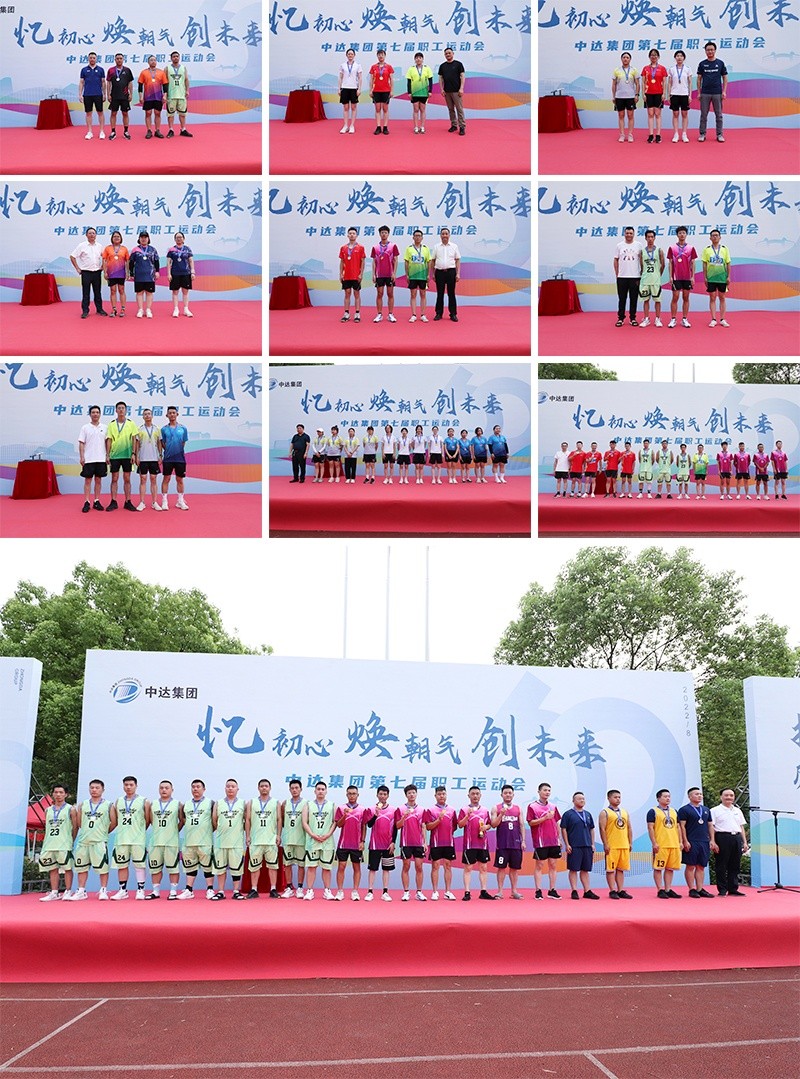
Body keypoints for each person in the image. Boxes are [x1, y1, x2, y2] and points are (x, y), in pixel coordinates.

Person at [65, 778, 116, 901]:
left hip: (99, 841)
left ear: (103, 790)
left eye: (97, 788)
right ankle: (81, 890)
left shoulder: (109, 805)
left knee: (102, 867)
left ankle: (103, 890)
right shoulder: (83, 805)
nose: (94, 790)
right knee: (81, 867)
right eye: (92, 787)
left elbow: (114, 822)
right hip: (84, 841)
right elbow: (79, 823)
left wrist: (104, 832)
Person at [110, 775, 148, 900]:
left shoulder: (144, 801)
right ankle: (123, 890)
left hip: (138, 839)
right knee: (122, 865)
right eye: (126, 785)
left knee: (139, 865)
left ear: (136, 786)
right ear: (123, 786)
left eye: (131, 785)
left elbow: (148, 820)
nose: (128, 787)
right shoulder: (118, 801)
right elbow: (115, 820)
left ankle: (140, 890)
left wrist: (139, 831)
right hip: (121, 839)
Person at [144, 779, 182, 901]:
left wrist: (173, 831)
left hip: (171, 842)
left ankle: (173, 891)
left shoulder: (177, 804)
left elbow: (182, 821)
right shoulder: (153, 804)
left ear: (172, 790)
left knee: (173, 868)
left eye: (166, 788)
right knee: (155, 868)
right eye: (161, 788)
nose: (164, 790)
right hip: (155, 841)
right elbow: (150, 821)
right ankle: (155, 891)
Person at [177, 778, 215, 900]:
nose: (195, 789)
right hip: (189, 841)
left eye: (198, 787)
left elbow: (215, 821)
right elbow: (183, 820)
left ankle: (210, 889)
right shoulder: (186, 805)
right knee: (190, 867)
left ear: (204, 789)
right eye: (193, 787)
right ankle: (189, 890)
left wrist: (206, 831)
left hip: (205, 842)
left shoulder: (210, 803)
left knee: (208, 867)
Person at [210, 778, 248, 901]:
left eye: (233, 786)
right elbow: (214, 820)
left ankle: (236, 891)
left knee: (236, 868)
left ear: (237, 789)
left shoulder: (243, 803)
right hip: (221, 842)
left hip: (236, 842)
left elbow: (246, 821)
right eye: (228, 786)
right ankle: (221, 891)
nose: (230, 788)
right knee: (220, 868)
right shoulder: (218, 803)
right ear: (225, 788)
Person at [38, 784, 76, 901]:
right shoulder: (48, 810)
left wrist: (71, 840)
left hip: (64, 844)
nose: (58, 795)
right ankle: (54, 892)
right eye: (56, 792)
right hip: (49, 844)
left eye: (61, 792)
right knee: (52, 868)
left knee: (67, 868)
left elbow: (75, 827)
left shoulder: (70, 809)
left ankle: (68, 891)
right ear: (52, 794)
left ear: (66, 794)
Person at [459, 786, 497, 900]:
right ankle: (467, 892)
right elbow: (460, 825)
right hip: (469, 844)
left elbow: (490, 824)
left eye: (477, 794)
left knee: (483, 868)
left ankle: (483, 891)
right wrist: (467, 816)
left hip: (482, 844)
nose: (475, 796)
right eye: (473, 794)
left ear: (480, 795)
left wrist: (486, 827)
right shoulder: (464, 809)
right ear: (469, 795)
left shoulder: (485, 810)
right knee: (468, 868)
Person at [560, 792, 600, 900]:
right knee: (573, 869)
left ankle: (587, 891)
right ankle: (574, 890)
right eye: (579, 799)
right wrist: (567, 844)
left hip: (587, 845)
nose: (582, 800)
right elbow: (564, 829)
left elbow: (591, 829)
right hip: (574, 846)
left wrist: (592, 844)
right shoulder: (568, 814)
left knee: (585, 869)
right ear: (573, 801)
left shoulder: (588, 814)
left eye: (583, 799)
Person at [710, 788, 749, 896]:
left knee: (735, 864)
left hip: (736, 837)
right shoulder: (715, 810)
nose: (729, 797)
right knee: (721, 864)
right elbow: (711, 827)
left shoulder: (737, 810)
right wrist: (713, 841)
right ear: (721, 797)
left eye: (731, 795)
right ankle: (722, 889)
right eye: (726, 795)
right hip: (722, 837)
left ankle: (733, 888)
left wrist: (744, 842)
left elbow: (741, 827)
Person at [247, 778, 282, 899]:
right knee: (254, 866)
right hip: (255, 840)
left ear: (270, 788)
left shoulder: (276, 802)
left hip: (271, 839)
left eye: (266, 786)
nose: (264, 788)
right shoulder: (252, 802)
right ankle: (254, 889)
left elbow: (279, 820)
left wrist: (278, 835)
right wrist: (248, 836)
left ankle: (273, 889)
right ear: (258, 788)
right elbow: (248, 820)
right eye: (262, 786)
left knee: (273, 866)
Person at [678, 787, 715, 898]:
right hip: (691, 841)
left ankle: (700, 888)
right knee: (690, 866)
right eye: (696, 794)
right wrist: (685, 840)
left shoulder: (706, 809)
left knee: (701, 866)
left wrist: (712, 840)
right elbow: (682, 826)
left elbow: (710, 825)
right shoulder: (684, 810)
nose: (699, 796)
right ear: (690, 796)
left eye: (700, 794)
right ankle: (691, 889)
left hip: (704, 841)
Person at [302, 780, 337, 901]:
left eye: (323, 789)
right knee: (311, 867)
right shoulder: (308, 805)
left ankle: (327, 890)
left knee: (326, 868)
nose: (320, 791)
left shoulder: (332, 805)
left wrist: (328, 834)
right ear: (315, 791)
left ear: (326, 791)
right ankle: (309, 890)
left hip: (327, 842)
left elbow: (335, 822)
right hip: (312, 841)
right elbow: (304, 822)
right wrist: (312, 835)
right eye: (318, 789)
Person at [334, 785, 370, 900]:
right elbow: (339, 825)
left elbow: (364, 826)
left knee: (357, 868)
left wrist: (362, 841)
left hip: (356, 844)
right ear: (346, 795)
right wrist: (345, 815)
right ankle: (340, 891)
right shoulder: (341, 808)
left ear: (358, 795)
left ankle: (355, 891)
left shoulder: (362, 809)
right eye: (349, 794)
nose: (352, 796)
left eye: (354, 794)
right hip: (343, 843)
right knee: (341, 866)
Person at [527, 783, 562, 899]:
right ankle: (538, 890)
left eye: (549, 790)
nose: (547, 792)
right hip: (541, 840)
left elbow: (557, 823)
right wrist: (544, 818)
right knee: (540, 865)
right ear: (539, 792)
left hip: (553, 841)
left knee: (553, 865)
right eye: (545, 790)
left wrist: (559, 838)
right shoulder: (532, 806)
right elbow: (531, 822)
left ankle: (552, 890)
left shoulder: (553, 806)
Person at [424, 786, 458, 901]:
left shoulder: (452, 810)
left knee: (448, 866)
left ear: (446, 795)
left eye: (443, 794)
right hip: (436, 843)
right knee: (436, 866)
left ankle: (448, 891)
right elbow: (428, 827)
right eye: (439, 794)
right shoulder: (431, 810)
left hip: (449, 843)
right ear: (435, 796)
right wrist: (439, 819)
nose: (441, 796)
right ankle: (435, 891)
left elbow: (454, 827)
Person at [491, 784, 525, 900]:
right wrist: (501, 814)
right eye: (505, 793)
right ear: (501, 794)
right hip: (502, 845)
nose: (508, 795)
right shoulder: (496, 808)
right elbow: (493, 824)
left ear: (513, 794)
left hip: (516, 844)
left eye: (510, 793)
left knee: (514, 868)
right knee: (501, 868)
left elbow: (521, 825)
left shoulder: (518, 808)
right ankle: (500, 891)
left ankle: (514, 891)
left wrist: (523, 841)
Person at [598, 789, 633, 899]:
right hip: (612, 846)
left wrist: (630, 842)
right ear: (609, 798)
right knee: (610, 869)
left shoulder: (624, 812)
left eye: (619, 797)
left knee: (621, 869)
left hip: (624, 845)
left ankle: (620, 890)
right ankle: (612, 890)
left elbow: (629, 828)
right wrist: (605, 844)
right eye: (615, 797)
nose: (618, 799)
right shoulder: (605, 812)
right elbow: (602, 829)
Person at [646, 788, 682, 898]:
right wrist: (654, 843)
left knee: (670, 868)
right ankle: (660, 889)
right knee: (658, 868)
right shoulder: (653, 811)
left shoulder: (674, 811)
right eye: (665, 796)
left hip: (674, 844)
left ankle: (668, 889)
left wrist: (680, 842)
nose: (668, 798)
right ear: (658, 798)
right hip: (661, 845)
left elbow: (678, 827)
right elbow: (650, 828)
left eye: (669, 796)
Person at [105, 400, 139, 512]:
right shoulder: (111, 424)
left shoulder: (131, 423)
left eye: (123, 408)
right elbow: (109, 439)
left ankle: (128, 501)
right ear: (116, 410)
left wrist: (133, 453)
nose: (121, 410)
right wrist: (107, 454)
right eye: (119, 408)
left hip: (127, 455)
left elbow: (134, 439)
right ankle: (113, 501)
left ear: (126, 410)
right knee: (114, 478)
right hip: (114, 455)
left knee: (127, 478)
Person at [365, 785, 396, 902]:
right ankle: (370, 892)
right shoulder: (371, 809)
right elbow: (369, 825)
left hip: (387, 845)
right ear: (377, 795)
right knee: (372, 869)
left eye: (385, 794)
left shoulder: (393, 810)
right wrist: (375, 815)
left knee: (386, 869)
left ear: (388, 796)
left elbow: (395, 828)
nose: (382, 796)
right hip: (374, 845)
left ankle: (385, 892)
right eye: (381, 794)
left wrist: (393, 842)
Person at [396, 784, 427, 901]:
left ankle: (419, 892)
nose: (411, 795)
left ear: (416, 794)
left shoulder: (422, 810)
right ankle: (406, 892)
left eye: (413, 792)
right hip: (406, 843)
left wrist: (425, 842)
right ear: (406, 795)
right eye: (409, 793)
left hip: (418, 843)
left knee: (419, 867)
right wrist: (403, 817)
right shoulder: (400, 809)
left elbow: (423, 826)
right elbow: (398, 826)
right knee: (406, 866)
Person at [70, 227, 108, 320]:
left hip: (97, 272)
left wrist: (103, 266)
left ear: (96, 235)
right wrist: (77, 268)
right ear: (86, 235)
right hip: (86, 272)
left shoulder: (99, 246)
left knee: (97, 292)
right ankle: (85, 311)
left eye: (93, 233)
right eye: (90, 233)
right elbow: (72, 256)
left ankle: (99, 309)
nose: (92, 235)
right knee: (86, 292)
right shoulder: (82, 246)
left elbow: (105, 257)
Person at [280, 779, 307, 898]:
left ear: (301, 789)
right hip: (288, 839)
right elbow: (281, 820)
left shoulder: (306, 803)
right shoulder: (285, 803)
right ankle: (289, 887)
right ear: (289, 789)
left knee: (301, 864)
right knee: (287, 864)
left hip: (301, 839)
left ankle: (300, 887)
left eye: (297, 788)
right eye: (292, 788)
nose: (294, 790)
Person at [78, 405, 107, 513]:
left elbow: (107, 443)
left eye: (97, 412)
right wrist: (82, 457)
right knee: (88, 480)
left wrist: (107, 455)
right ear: (90, 414)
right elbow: (81, 443)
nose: (95, 414)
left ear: (100, 414)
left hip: (101, 458)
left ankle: (96, 500)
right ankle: (87, 501)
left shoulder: (105, 427)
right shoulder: (85, 428)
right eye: (93, 412)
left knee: (98, 480)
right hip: (89, 458)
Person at [160, 405, 189, 510]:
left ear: (177, 414)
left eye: (174, 413)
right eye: (170, 413)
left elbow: (183, 442)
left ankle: (180, 501)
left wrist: (177, 451)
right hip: (168, 458)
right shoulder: (164, 429)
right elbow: (163, 443)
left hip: (180, 458)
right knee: (166, 479)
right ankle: (164, 501)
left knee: (179, 479)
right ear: (167, 415)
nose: (172, 414)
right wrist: (168, 450)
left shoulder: (183, 428)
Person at [697, 41, 727, 143]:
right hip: (705, 93)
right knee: (703, 115)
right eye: (708, 50)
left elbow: (725, 77)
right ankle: (702, 134)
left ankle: (719, 134)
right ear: (705, 51)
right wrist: (699, 92)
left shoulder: (720, 63)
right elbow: (699, 79)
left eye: (712, 50)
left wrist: (724, 91)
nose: (710, 51)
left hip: (717, 93)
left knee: (719, 115)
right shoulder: (702, 64)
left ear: (715, 50)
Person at [667, 225, 697, 328]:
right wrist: (670, 276)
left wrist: (693, 277)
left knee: (686, 297)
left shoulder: (691, 248)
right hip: (676, 277)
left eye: (683, 233)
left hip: (687, 277)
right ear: (677, 235)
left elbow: (693, 263)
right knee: (675, 297)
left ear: (686, 234)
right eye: (680, 233)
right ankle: (673, 319)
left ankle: (684, 319)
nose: (682, 235)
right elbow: (670, 263)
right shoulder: (672, 248)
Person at [133, 407, 162, 511]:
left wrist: (160, 455)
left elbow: (159, 443)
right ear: (143, 417)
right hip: (143, 458)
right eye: (145, 414)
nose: (147, 416)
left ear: (152, 416)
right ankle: (142, 502)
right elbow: (137, 444)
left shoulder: (157, 429)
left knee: (153, 479)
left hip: (154, 458)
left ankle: (154, 502)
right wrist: (137, 456)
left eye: (149, 414)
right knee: (143, 479)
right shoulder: (139, 429)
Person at [614, 226, 643, 327]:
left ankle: (632, 318)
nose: (629, 235)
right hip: (622, 277)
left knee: (633, 299)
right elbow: (616, 260)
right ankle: (620, 318)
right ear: (624, 234)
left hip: (635, 277)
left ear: (633, 234)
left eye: (631, 233)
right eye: (627, 233)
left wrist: (641, 273)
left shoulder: (639, 245)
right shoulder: (619, 246)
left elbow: (641, 260)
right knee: (622, 299)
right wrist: (617, 274)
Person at [702, 229, 731, 327]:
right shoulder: (707, 250)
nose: (715, 237)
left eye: (716, 235)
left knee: (722, 297)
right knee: (712, 298)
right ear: (710, 238)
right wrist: (705, 277)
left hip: (722, 277)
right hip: (711, 278)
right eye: (713, 235)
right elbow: (704, 264)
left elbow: (728, 263)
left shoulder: (725, 249)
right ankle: (713, 319)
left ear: (720, 237)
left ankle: (722, 319)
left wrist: (728, 276)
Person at [128, 230, 160, 319]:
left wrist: (157, 271)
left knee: (149, 293)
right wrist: (131, 273)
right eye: (142, 237)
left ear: (148, 239)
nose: (143, 239)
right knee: (139, 293)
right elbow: (131, 262)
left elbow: (156, 261)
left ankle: (148, 309)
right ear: (139, 239)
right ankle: (140, 309)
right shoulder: (135, 250)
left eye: (145, 237)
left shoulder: (153, 249)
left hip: (150, 275)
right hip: (139, 275)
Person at [431, 226, 460, 322]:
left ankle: (453, 314)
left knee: (451, 293)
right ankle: (439, 313)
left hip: (451, 272)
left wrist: (458, 273)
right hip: (439, 272)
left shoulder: (454, 246)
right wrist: (433, 273)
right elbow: (433, 260)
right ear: (440, 235)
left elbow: (457, 260)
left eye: (446, 234)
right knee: (440, 294)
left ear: (449, 235)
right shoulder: (436, 247)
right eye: (443, 234)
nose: (444, 235)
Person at [371, 225, 399, 323]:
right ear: (379, 234)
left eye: (385, 232)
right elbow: (374, 261)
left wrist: (394, 273)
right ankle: (379, 314)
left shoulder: (393, 246)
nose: (384, 234)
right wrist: (374, 274)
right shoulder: (375, 247)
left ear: (388, 234)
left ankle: (390, 314)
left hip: (389, 274)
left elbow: (395, 260)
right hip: (379, 274)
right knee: (379, 294)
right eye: (382, 232)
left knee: (390, 293)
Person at [404, 229, 432, 322]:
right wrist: (407, 275)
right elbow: (406, 262)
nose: (417, 237)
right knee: (413, 294)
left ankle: (423, 314)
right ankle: (413, 314)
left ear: (422, 237)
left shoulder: (426, 249)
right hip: (412, 275)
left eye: (419, 236)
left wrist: (428, 275)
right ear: (413, 237)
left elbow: (428, 262)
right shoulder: (409, 249)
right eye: (416, 236)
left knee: (423, 294)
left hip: (423, 275)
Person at [638, 229, 665, 327]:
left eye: (652, 237)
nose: (650, 239)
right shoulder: (642, 252)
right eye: (648, 237)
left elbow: (663, 265)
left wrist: (658, 274)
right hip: (645, 280)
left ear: (654, 238)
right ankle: (646, 318)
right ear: (645, 238)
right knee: (646, 300)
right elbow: (641, 266)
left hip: (656, 280)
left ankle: (657, 319)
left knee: (657, 300)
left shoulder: (659, 250)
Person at [611, 52, 640, 142]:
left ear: (630, 59)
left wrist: (636, 94)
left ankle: (630, 134)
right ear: (621, 59)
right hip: (619, 96)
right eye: (624, 57)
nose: (625, 59)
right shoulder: (617, 70)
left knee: (630, 115)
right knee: (621, 115)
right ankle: (622, 135)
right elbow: (614, 84)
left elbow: (637, 83)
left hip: (630, 96)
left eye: (627, 57)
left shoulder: (634, 70)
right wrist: (614, 96)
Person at [137, 56, 168, 139]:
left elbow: (165, 85)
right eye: (151, 60)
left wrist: (165, 96)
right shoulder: (144, 72)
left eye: (154, 60)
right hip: (148, 97)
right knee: (148, 113)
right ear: (148, 62)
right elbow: (140, 86)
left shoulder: (161, 72)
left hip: (158, 97)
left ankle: (157, 130)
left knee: (158, 113)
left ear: (156, 62)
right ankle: (149, 130)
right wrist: (140, 96)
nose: (153, 61)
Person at [339, 226, 365, 323]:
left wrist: (361, 274)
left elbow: (362, 262)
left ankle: (357, 313)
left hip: (356, 275)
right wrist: (341, 273)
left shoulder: (360, 247)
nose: (352, 235)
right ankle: (346, 313)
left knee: (356, 293)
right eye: (350, 233)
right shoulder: (343, 248)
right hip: (346, 275)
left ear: (356, 235)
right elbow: (342, 262)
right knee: (347, 293)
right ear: (347, 235)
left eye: (353, 233)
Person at [166, 232, 195, 318]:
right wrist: (169, 274)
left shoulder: (187, 249)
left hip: (186, 273)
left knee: (185, 291)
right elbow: (168, 262)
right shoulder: (171, 250)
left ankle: (186, 309)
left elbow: (191, 261)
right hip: (175, 273)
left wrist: (192, 272)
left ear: (183, 238)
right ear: (175, 239)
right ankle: (176, 309)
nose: (179, 239)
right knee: (175, 292)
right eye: (177, 237)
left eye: (180, 237)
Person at [106, 53, 134, 141]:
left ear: (123, 59)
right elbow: (108, 83)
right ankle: (113, 132)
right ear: (115, 60)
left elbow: (130, 83)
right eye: (117, 58)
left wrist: (131, 94)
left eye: (120, 58)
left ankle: (126, 131)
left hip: (125, 96)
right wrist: (108, 94)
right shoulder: (111, 70)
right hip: (114, 95)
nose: (119, 60)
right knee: (113, 113)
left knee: (125, 113)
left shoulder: (127, 70)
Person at [438, 47, 466, 135]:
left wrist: (461, 88)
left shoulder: (458, 64)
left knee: (459, 109)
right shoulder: (442, 66)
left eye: (449, 53)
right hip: (447, 91)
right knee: (450, 109)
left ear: (453, 54)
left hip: (457, 91)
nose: (448, 55)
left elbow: (462, 76)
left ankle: (462, 126)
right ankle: (454, 125)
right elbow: (440, 78)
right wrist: (442, 89)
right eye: (446, 53)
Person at [78, 52, 106, 140]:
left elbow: (103, 82)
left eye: (94, 58)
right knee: (88, 113)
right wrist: (80, 94)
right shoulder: (84, 70)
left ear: (96, 59)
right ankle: (89, 131)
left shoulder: (101, 70)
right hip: (87, 94)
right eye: (91, 58)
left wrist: (104, 94)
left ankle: (101, 131)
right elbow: (81, 82)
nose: (92, 59)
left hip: (98, 94)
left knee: (100, 113)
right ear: (88, 59)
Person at [101, 230, 129, 318]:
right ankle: (114, 309)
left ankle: (123, 309)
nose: (116, 238)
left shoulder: (124, 249)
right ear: (112, 238)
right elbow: (104, 260)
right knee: (113, 291)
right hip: (111, 273)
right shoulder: (107, 248)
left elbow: (127, 261)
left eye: (118, 236)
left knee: (121, 290)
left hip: (121, 273)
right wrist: (105, 272)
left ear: (121, 238)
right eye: (114, 236)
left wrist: (127, 272)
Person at [165, 51, 192, 137]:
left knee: (182, 114)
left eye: (177, 56)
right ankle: (171, 129)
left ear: (179, 58)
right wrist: (165, 93)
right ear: (171, 58)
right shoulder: (167, 68)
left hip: (181, 95)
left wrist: (187, 91)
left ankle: (183, 129)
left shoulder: (183, 68)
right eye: (174, 56)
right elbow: (164, 82)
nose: (175, 58)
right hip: (171, 95)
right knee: (170, 114)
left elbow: (186, 80)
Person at [643, 48, 668, 143]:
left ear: (658, 57)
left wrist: (664, 93)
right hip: (648, 93)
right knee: (650, 114)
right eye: (652, 55)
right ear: (649, 57)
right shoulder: (645, 68)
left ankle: (658, 135)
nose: (653, 57)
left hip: (658, 93)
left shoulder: (662, 68)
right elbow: (643, 82)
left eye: (655, 55)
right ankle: (650, 135)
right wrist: (643, 94)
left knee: (657, 114)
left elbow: (665, 82)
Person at [666, 50, 691, 143]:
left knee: (684, 114)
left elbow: (690, 83)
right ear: (675, 58)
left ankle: (684, 134)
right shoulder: (672, 69)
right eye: (677, 56)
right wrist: (669, 95)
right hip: (674, 94)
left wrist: (689, 95)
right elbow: (669, 83)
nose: (679, 57)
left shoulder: (687, 69)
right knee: (675, 114)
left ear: (684, 58)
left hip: (684, 94)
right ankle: (676, 134)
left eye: (681, 56)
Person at [406, 52, 433, 133]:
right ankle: (416, 127)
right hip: (415, 92)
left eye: (420, 58)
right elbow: (409, 81)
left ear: (422, 59)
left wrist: (430, 91)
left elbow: (430, 80)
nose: (418, 59)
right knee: (415, 109)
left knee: (423, 110)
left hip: (424, 92)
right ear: (415, 59)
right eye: (417, 58)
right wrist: (409, 92)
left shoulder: (427, 68)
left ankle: (422, 127)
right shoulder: (411, 69)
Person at [369, 49, 393, 134]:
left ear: (385, 56)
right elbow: (371, 80)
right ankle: (378, 127)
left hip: (386, 90)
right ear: (377, 56)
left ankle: (385, 127)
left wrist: (391, 91)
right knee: (377, 109)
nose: (380, 56)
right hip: (376, 91)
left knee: (385, 109)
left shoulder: (389, 67)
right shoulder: (373, 67)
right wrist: (370, 90)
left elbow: (391, 80)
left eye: (382, 54)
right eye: (379, 55)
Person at [338, 48, 362, 134]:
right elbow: (340, 78)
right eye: (349, 54)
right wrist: (339, 88)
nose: (350, 55)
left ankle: (352, 125)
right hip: (344, 88)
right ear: (346, 55)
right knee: (345, 107)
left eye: (352, 54)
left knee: (353, 107)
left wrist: (359, 89)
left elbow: (360, 78)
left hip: (354, 88)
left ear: (354, 55)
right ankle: (345, 125)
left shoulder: (358, 65)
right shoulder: (343, 65)